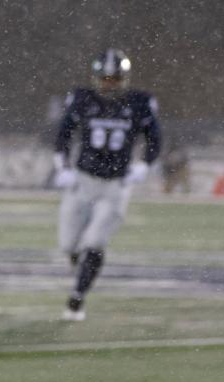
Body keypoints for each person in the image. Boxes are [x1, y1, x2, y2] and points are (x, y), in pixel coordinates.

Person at [53, 48, 162, 321]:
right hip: (84, 179)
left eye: (114, 79)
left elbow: (155, 139)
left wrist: (144, 165)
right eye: (105, 78)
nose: (109, 84)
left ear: (124, 79)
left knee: (95, 241)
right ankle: (83, 271)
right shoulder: (82, 99)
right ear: (96, 77)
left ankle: (77, 298)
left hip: (116, 184)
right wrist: (61, 166)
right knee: (68, 244)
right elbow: (63, 135)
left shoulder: (139, 103)